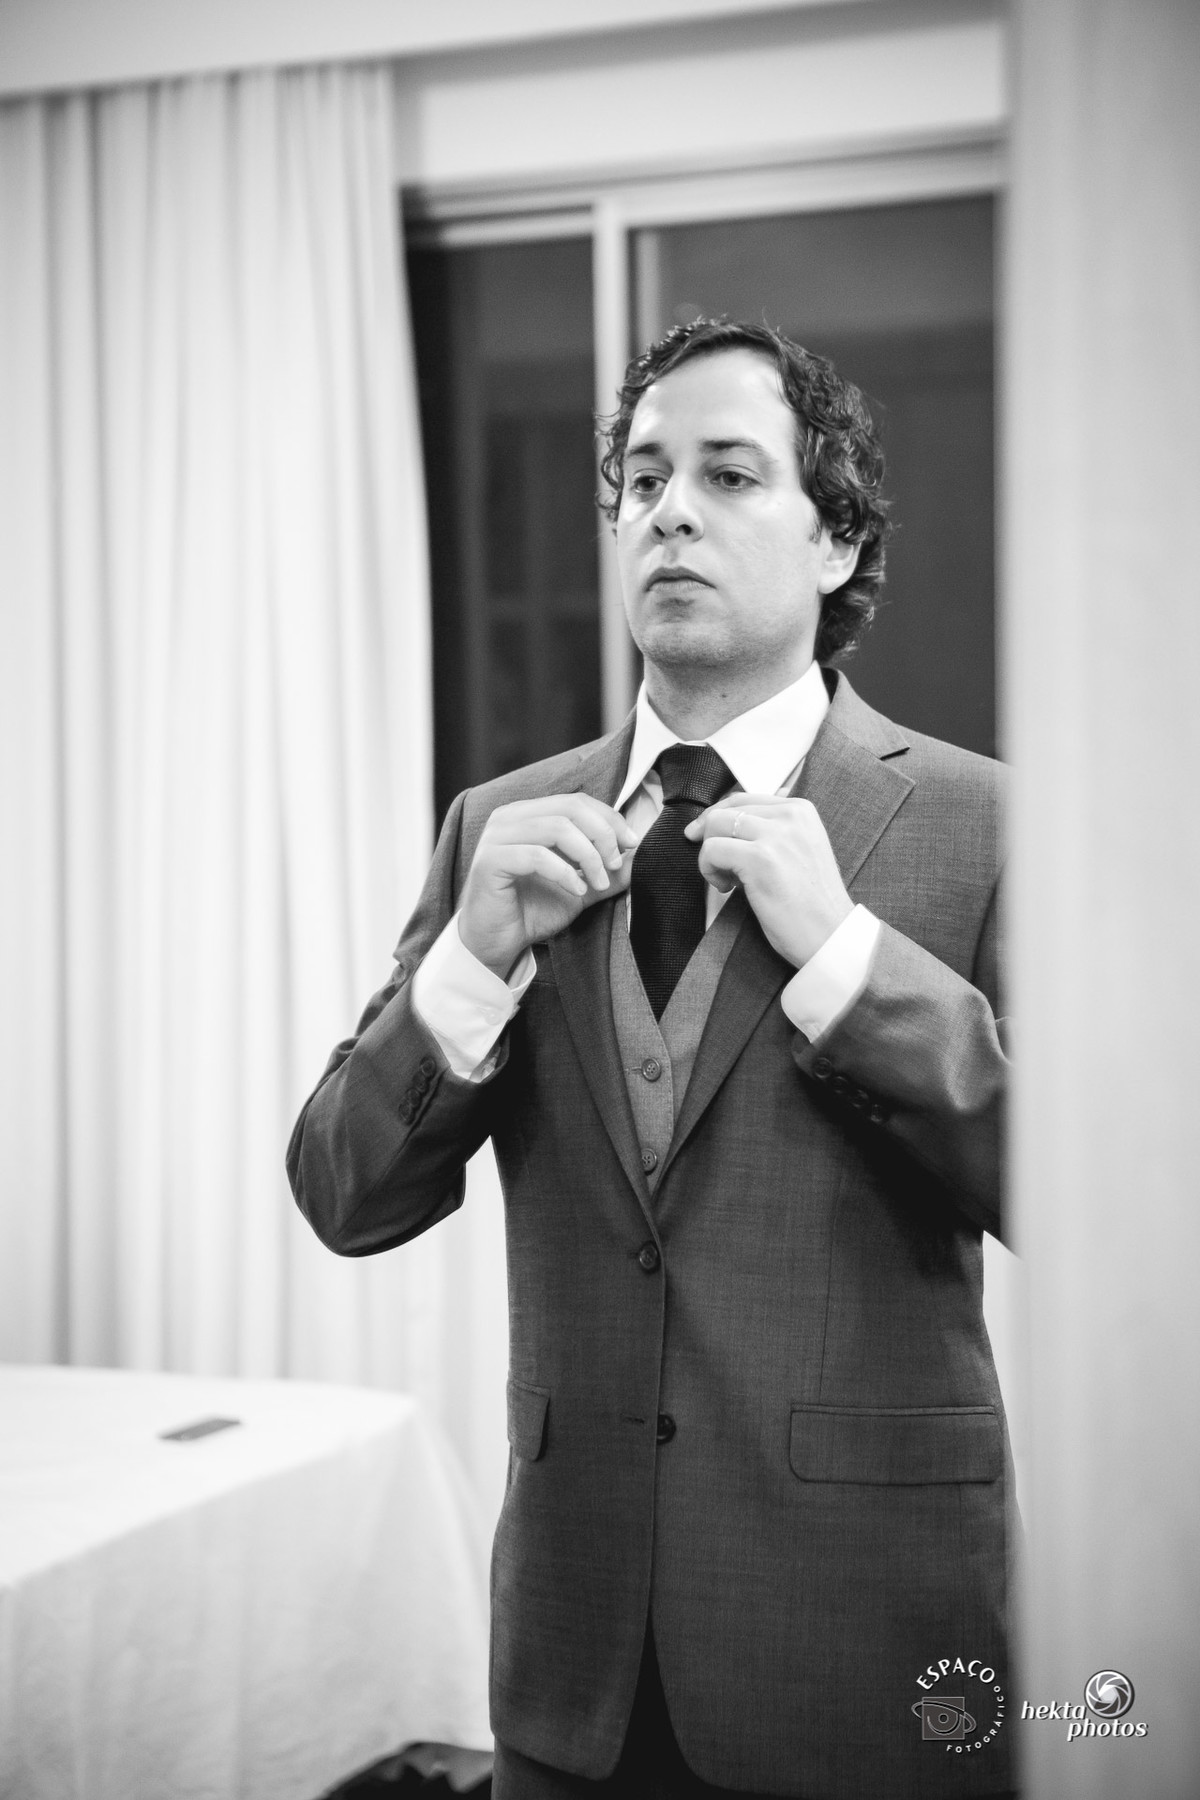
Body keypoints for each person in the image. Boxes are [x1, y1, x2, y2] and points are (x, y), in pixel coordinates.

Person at [288, 318, 1013, 1800]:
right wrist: (467, 963)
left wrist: (847, 959)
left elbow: (1099, 1205)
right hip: (574, 1671)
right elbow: (343, 1195)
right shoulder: (498, 828)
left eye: (729, 475)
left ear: (837, 540)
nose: (669, 510)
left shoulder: (983, 822)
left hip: (871, 1654)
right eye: (642, 479)